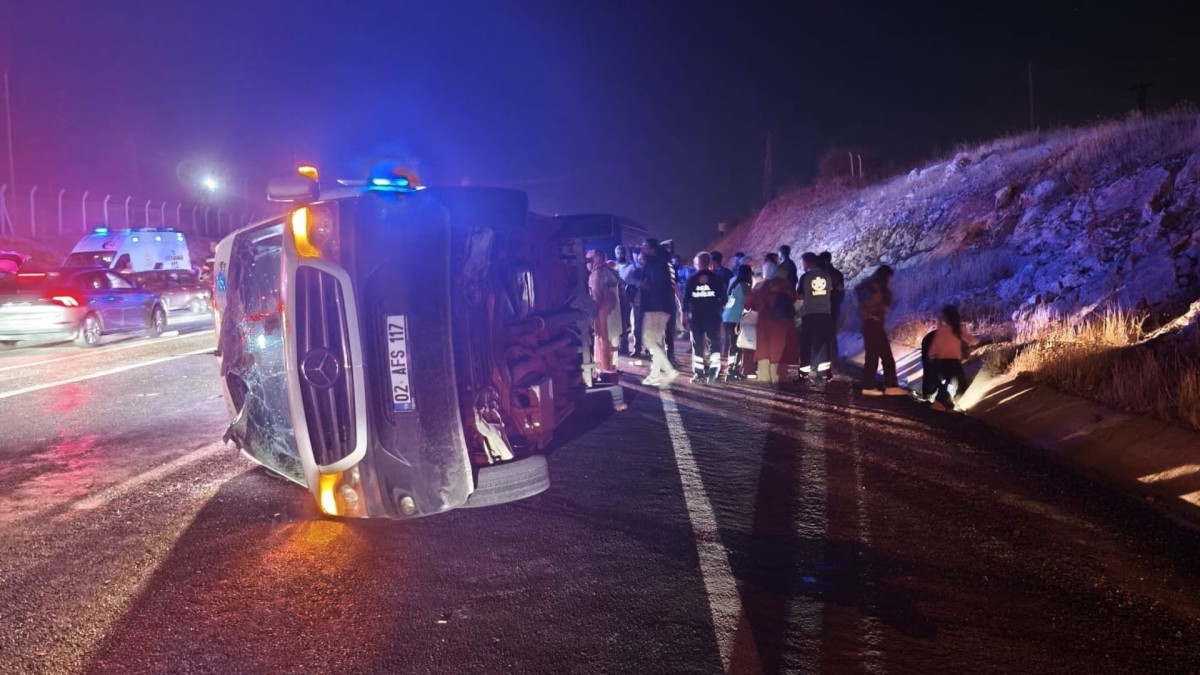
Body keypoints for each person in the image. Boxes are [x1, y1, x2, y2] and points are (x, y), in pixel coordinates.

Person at [856, 265, 905, 396]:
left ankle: (891, 385)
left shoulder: (868, 287)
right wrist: (872, 314)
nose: (891, 281)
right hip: (873, 323)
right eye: (890, 278)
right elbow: (870, 304)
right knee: (873, 355)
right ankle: (868, 386)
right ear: (885, 277)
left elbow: (862, 300)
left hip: (874, 324)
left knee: (886, 355)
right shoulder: (876, 289)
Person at [638, 238, 681, 386]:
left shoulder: (653, 264)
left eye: (644, 247)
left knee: (650, 341)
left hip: (655, 306)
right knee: (655, 342)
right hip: (665, 305)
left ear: (652, 249)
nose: (642, 249)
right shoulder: (667, 263)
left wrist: (640, 284)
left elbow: (656, 285)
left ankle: (668, 371)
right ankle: (655, 375)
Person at [749, 260, 799, 385]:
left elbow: (752, 305)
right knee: (782, 349)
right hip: (784, 323)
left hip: (764, 324)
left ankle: (765, 377)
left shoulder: (761, 287)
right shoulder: (786, 286)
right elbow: (795, 299)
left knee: (765, 350)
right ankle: (781, 377)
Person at [923, 305, 980, 411]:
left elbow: (935, 345)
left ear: (946, 318)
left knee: (946, 383)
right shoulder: (957, 330)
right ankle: (945, 402)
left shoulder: (946, 330)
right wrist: (978, 340)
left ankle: (946, 402)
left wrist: (931, 355)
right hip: (951, 361)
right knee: (960, 382)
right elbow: (971, 340)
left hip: (944, 361)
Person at [682, 252, 726, 383]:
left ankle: (699, 375)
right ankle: (714, 375)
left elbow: (686, 300)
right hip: (713, 316)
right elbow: (724, 299)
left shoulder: (691, 279)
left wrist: (683, 316)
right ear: (710, 263)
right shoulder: (717, 279)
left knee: (697, 346)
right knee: (715, 345)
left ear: (697, 264)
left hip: (696, 317)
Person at [796, 252, 834, 385]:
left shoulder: (805, 277)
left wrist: (798, 313)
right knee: (823, 344)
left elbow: (800, 297)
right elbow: (830, 292)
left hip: (810, 314)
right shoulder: (827, 276)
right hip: (825, 314)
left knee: (806, 344)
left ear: (807, 263)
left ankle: (804, 374)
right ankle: (824, 374)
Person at [588, 250, 623, 376]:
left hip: (604, 315)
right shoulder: (610, 271)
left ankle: (605, 370)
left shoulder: (597, 274)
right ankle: (612, 367)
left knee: (603, 343)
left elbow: (596, 297)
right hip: (615, 314)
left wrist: (590, 316)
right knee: (614, 342)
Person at [722, 263, 754, 381]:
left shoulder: (734, 283)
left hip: (727, 317)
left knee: (733, 344)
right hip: (735, 318)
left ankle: (732, 370)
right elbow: (749, 301)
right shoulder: (744, 285)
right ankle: (732, 372)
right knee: (737, 346)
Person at [818, 251, 845, 360]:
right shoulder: (837, 273)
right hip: (834, 306)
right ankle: (833, 357)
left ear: (824, 261)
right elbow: (841, 292)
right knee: (832, 332)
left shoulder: (823, 274)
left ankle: (828, 358)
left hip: (826, 307)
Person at [615, 245, 636, 355]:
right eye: (618, 253)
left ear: (625, 253)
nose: (620, 255)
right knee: (616, 322)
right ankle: (618, 346)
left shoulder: (632, 267)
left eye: (621, 252)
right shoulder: (613, 266)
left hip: (626, 298)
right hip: (615, 298)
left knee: (624, 323)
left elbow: (635, 282)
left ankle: (624, 347)